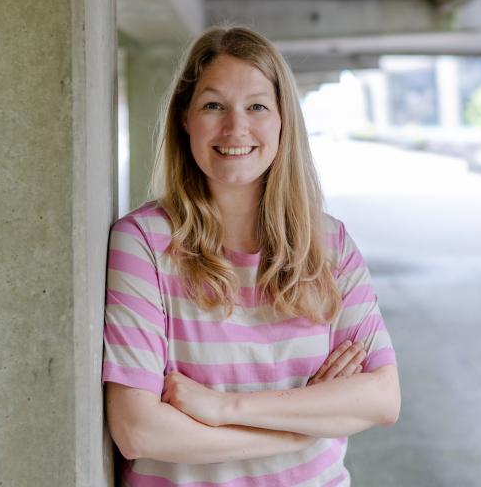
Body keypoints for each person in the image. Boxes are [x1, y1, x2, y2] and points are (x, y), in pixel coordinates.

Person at [102, 26, 400, 486]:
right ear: (185, 118)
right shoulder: (143, 243)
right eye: (213, 105)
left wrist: (226, 409)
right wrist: (300, 430)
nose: (235, 127)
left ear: (283, 119)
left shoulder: (329, 245)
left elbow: (381, 398)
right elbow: (139, 431)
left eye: (257, 106)